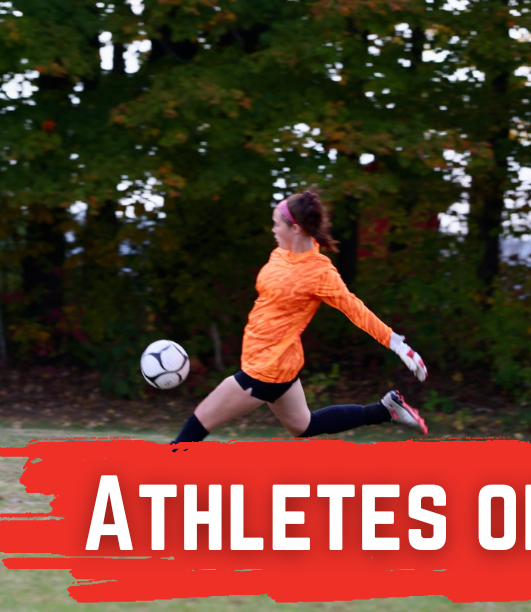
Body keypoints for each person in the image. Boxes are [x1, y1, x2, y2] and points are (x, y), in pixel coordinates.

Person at [170, 187, 430, 444]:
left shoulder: (319, 273)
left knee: (199, 422)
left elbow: (356, 310)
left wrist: (397, 344)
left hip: (265, 370)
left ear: (294, 228)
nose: (273, 230)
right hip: (278, 361)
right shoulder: (281, 253)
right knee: (304, 426)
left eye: (276, 225)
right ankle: (385, 410)